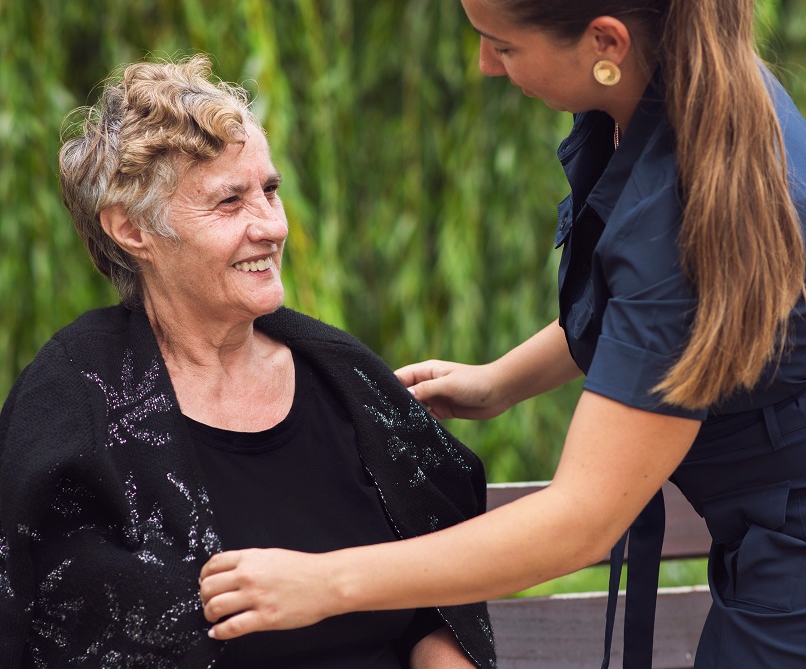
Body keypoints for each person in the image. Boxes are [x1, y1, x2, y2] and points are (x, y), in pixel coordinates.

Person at [197, 0, 806, 668]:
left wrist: (326, 580)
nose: (485, 66)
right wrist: (500, 380)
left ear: (605, 41)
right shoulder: (679, 76)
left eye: (503, 44)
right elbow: (650, 317)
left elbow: (580, 523)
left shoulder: (692, 202)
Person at [0, 55, 496, 669]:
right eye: (229, 201)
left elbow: (442, 602)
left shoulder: (344, 378)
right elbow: (52, 629)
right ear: (131, 229)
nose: (271, 225)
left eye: (270, 190)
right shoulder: (72, 404)